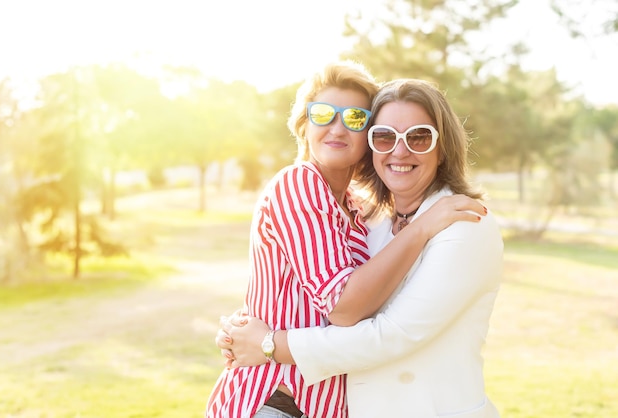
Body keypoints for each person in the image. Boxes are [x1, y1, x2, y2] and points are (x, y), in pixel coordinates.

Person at [205, 63, 487, 418]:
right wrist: (422, 228)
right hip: (277, 404)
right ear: (303, 125)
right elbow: (344, 307)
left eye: (355, 118)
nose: (337, 127)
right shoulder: (299, 183)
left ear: (368, 137)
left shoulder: (355, 209)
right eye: (322, 114)